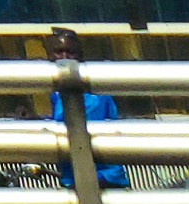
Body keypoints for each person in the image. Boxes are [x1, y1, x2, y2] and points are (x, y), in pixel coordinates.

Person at [45, 28, 130, 190]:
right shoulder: (58, 93)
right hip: (75, 176)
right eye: (59, 52)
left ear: (80, 56)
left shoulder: (92, 95)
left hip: (101, 179)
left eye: (70, 53)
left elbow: (78, 128)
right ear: (49, 55)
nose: (64, 58)